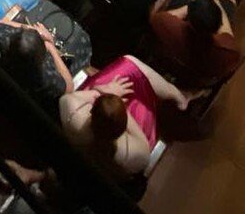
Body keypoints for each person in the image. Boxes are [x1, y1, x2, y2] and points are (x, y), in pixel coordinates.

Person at [60, 56, 189, 179]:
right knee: (130, 66)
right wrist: (118, 100)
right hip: (126, 144)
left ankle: (173, 94)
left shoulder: (72, 113)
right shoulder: (136, 154)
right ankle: (178, 97)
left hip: (86, 148)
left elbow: (77, 96)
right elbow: (134, 129)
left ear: (92, 110)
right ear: (123, 127)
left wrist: (102, 91)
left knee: (122, 78)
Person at [148, 0, 242, 87]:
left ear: (188, 18)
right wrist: (214, 0)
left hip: (168, 64)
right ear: (218, 25)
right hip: (194, 83)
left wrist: (192, 5)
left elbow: (162, 16)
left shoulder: (166, 25)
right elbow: (226, 30)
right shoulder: (227, 52)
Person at [0, 17, 77, 104]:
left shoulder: (2, 36)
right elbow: (69, 87)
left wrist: (34, 30)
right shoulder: (45, 78)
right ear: (42, 56)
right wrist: (50, 45)